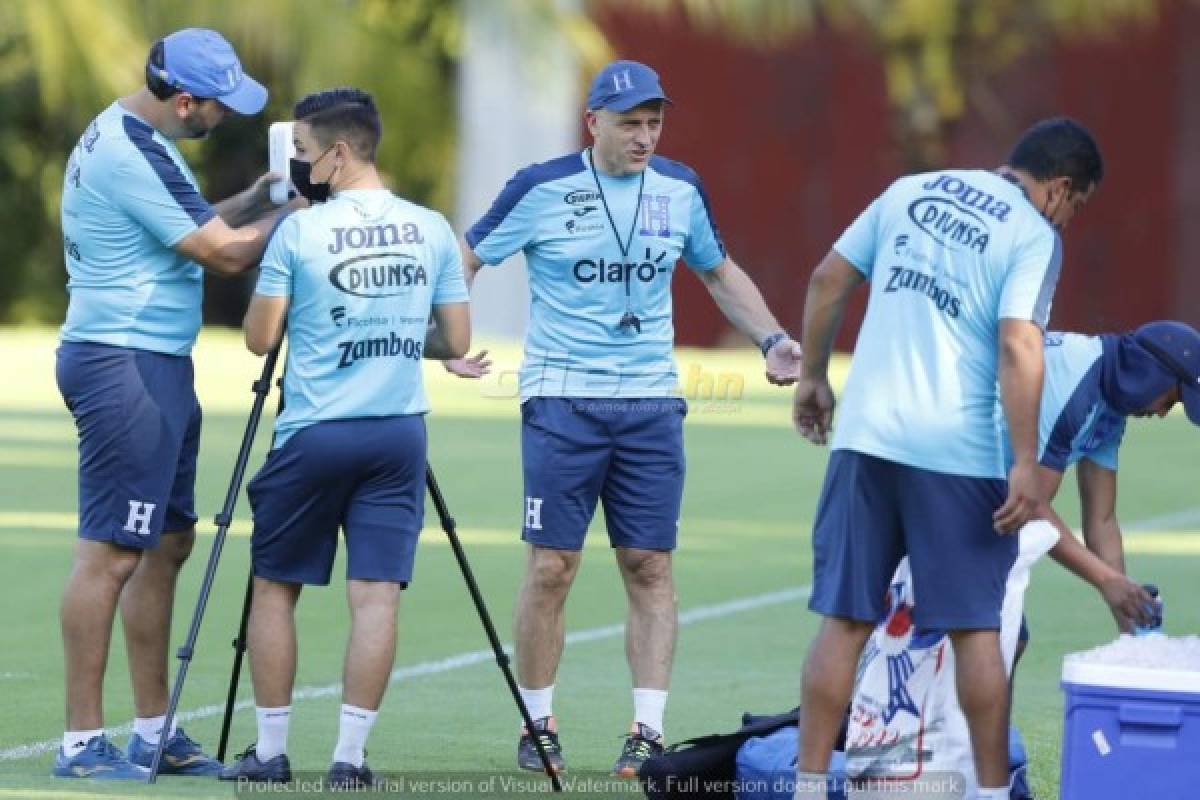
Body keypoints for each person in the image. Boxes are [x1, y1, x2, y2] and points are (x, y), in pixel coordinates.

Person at [457, 59, 803, 777]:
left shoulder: (679, 189)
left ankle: (646, 729)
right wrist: (449, 342)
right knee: (552, 565)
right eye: (630, 124)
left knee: (648, 564)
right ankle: (538, 719)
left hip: (649, 402)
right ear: (594, 124)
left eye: (654, 123)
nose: (645, 137)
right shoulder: (541, 186)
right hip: (561, 399)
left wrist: (772, 339)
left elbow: (717, 270)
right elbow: (465, 258)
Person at [790, 117, 1104, 800]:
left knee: (842, 622)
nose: (1069, 220)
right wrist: (1025, 459)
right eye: (1076, 207)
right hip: (958, 454)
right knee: (975, 631)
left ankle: (808, 789)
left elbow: (826, 278)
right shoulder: (1033, 235)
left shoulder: (910, 189)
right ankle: (990, 795)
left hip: (865, 439)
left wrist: (814, 376)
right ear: (1058, 190)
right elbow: (1019, 346)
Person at [217, 88, 470, 788]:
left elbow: (260, 338)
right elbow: (455, 339)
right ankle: (350, 761)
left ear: (338, 153)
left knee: (275, 587)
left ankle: (270, 754)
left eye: (300, 152)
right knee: (377, 594)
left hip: (314, 432)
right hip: (396, 435)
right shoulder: (432, 227)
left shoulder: (300, 231)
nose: (295, 164)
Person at [54, 28, 288, 780]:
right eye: (218, 107)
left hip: (151, 361)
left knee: (165, 544)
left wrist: (263, 196)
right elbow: (220, 251)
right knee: (113, 552)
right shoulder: (132, 153)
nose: (223, 118)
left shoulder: (131, 132)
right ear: (183, 101)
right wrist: (304, 213)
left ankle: (153, 732)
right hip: (123, 363)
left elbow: (199, 223)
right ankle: (82, 746)